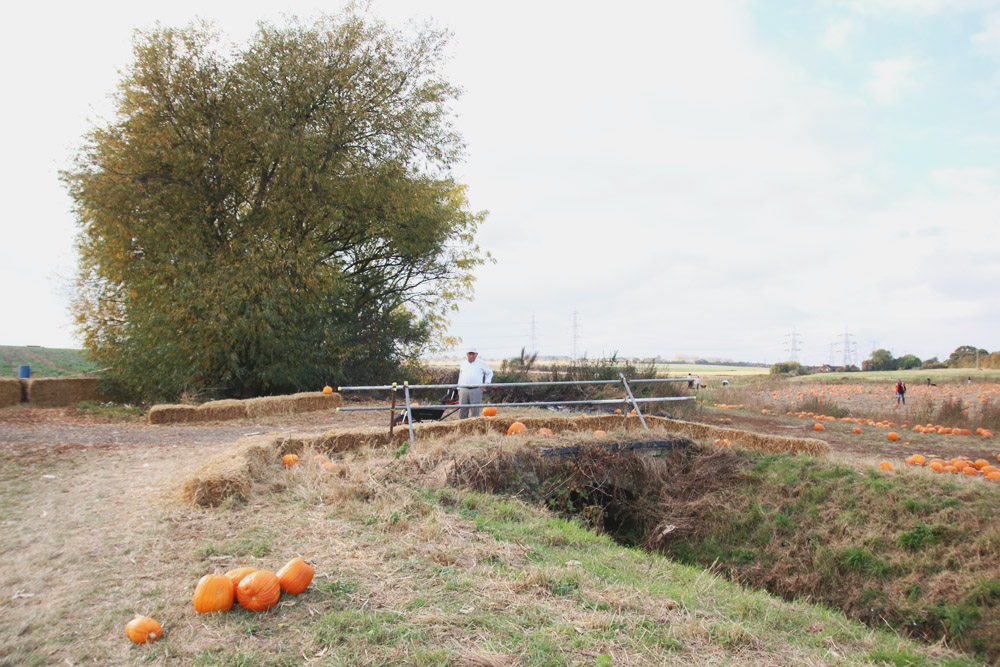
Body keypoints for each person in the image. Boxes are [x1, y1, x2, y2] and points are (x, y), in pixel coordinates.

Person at [457, 347, 493, 418]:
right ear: (467, 354)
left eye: (473, 354)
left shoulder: (481, 363)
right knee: (462, 410)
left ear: (476, 354)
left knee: (475, 411)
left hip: (476, 389)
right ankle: (462, 427)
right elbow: (460, 376)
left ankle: (474, 428)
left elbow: (490, 373)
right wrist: (459, 388)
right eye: (470, 354)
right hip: (464, 389)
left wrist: (486, 383)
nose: (471, 356)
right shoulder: (463, 364)